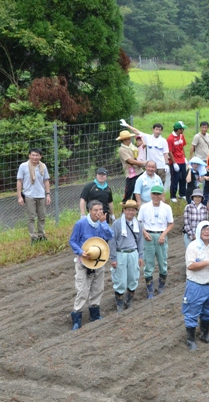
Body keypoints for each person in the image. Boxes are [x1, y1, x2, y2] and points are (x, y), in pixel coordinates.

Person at [68, 200, 114, 330]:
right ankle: (76, 317)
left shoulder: (102, 224)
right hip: (84, 262)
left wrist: (104, 223)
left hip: (99, 261)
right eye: (96, 210)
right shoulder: (81, 224)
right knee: (82, 290)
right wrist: (81, 251)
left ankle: (95, 314)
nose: (98, 212)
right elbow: (73, 241)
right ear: (89, 211)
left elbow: (110, 235)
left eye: (100, 210)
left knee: (98, 288)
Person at [183, 221, 209, 350]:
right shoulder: (193, 247)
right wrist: (207, 263)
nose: (206, 232)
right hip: (196, 285)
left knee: (207, 311)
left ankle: (204, 334)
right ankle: (191, 340)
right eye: (204, 230)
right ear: (199, 232)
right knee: (192, 312)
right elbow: (190, 265)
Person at [138, 185, 174, 299]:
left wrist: (163, 234)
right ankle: (150, 290)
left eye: (158, 194)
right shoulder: (144, 207)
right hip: (148, 236)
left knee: (163, 263)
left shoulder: (167, 208)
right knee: (148, 264)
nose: (156, 196)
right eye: (154, 194)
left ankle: (161, 287)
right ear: (150, 195)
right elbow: (139, 222)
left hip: (161, 236)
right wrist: (144, 233)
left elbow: (171, 223)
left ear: (162, 195)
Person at [108, 200, 144, 312]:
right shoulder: (117, 224)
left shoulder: (138, 224)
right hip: (121, 254)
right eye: (128, 209)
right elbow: (112, 241)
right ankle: (119, 305)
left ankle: (129, 301)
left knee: (133, 278)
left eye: (133, 210)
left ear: (135, 212)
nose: (130, 212)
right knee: (120, 280)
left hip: (133, 253)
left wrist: (140, 256)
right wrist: (113, 258)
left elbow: (140, 241)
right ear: (124, 210)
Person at [16, 148, 51, 244]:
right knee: (31, 217)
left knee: (42, 216)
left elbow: (46, 180)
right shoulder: (23, 166)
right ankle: (33, 237)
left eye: (37, 155)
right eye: (33, 155)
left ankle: (41, 235)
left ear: (40, 156)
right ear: (29, 155)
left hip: (41, 195)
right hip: (29, 195)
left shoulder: (43, 166)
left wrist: (48, 194)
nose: (35, 157)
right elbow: (19, 181)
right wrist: (19, 196)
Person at [117, 130, 144, 204]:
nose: (130, 139)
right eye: (128, 138)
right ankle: (124, 211)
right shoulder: (122, 149)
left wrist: (140, 161)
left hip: (139, 171)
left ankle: (135, 209)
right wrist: (142, 163)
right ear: (124, 140)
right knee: (128, 193)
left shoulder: (132, 146)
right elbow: (130, 161)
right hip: (131, 174)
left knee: (138, 192)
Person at [167, 121, 188, 203]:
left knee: (183, 178)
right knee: (175, 179)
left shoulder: (182, 136)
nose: (183, 130)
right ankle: (173, 195)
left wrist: (184, 157)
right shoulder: (170, 138)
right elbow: (170, 151)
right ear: (179, 129)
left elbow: (182, 147)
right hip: (175, 161)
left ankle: (182, 194)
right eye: (182, 129)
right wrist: (174, 163)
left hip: (182, 160)